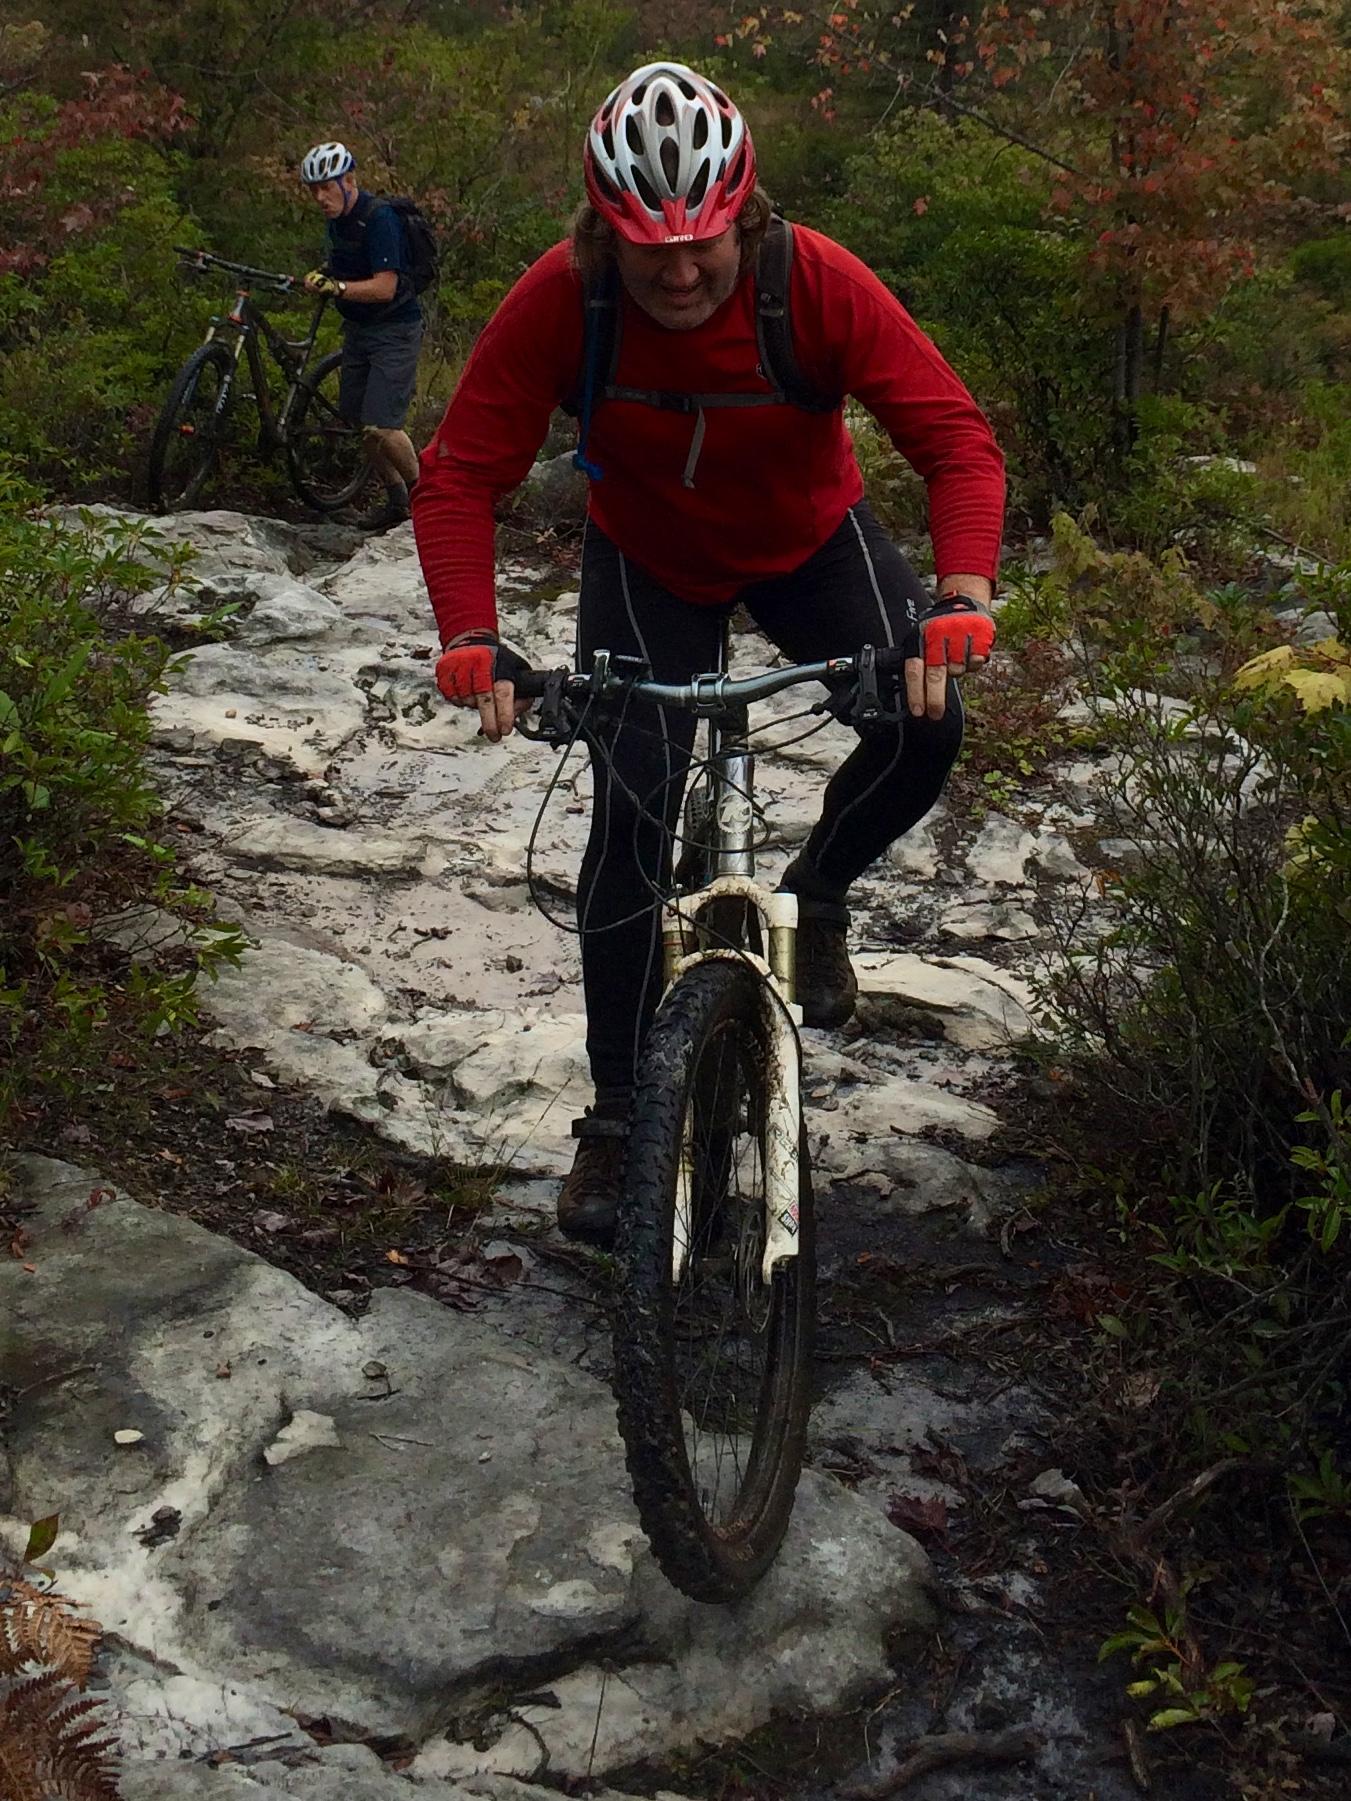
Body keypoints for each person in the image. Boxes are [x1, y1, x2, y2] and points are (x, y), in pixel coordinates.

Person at [412, 62, 1005, 1245]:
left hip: (809, 546)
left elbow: (955, 439)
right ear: (602, 231)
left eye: (704, 246)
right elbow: (462, 472)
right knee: (631, 824)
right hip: (647, 564)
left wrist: (960, 596)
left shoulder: (814, 284)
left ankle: (819, 891)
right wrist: (469, 633)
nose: (679, 273)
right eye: (648, 251)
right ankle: (622, 1117)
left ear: (746, 216)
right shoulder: (564, 298)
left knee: (925, 725)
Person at [299, 141, 423, 531]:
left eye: (327, 187)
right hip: (359, 330)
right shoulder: (337, 224)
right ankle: (395, 499)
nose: (320, 197)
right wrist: (322, 276)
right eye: (313, 190)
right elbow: (344, 267)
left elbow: (385, 287)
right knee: (358, 421)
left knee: (383, 426)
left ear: (349, 180)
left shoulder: (380, 218)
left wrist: (336, 289)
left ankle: (429, 498)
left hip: (394, 329)